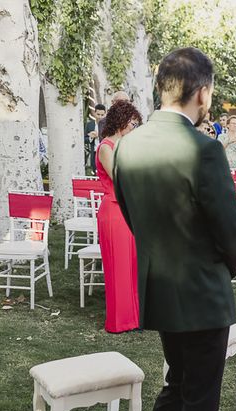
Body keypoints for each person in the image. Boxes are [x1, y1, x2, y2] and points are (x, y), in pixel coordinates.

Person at [113, 47, 236, 411]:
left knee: (176, 387)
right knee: (201, 400)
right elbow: (230, 231)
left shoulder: (125, 147)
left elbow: (134, 219)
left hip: (161, 287)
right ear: (202, 93)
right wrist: (225, 267)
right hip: (202, 292)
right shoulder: (203, 149)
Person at [95, 100, 141, 333]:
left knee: (133, 265)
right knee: (119, 266)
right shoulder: (106, 147)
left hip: (128, 209)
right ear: (120, 121)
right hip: (113, 210)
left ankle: (135, 318)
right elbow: (118, 178)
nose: (134, 127)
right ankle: (119, 321)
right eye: (132, 122)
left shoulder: (124, 144)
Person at [218, 115, 236, 185]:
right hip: (226, 167)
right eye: (233, 123)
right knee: (226, 189)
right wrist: (228, 142)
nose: (235, 125)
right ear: (228, 125)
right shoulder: (221, 136)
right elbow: (219, 149)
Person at [84, 104, 106, 174]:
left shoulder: (108, 125)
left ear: (105, 114)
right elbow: (84, 139)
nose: (100, 117)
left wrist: (98, 136)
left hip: (105, 153)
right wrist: (91, 137)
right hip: (94, 153)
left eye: (102, 115)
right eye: (98, 114)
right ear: (94, 113)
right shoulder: (89, 125)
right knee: (95, 172)